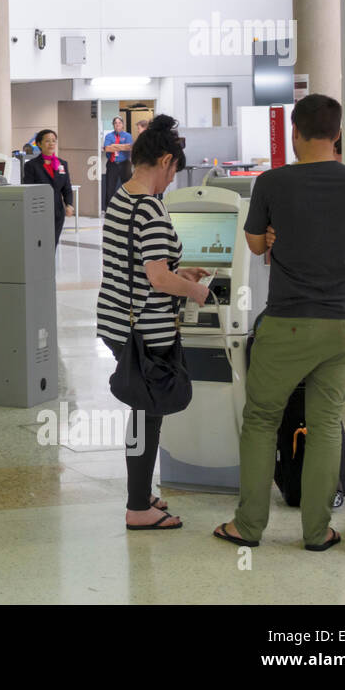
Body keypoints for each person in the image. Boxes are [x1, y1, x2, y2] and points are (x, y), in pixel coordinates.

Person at [215, 95, 345, 552]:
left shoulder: (272, 182)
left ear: (294, 133)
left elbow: (256, 246)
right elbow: (341, 234)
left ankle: (249, 526)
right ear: (338, 134)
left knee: (263, 419)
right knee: (325, 422)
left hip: (289, 323)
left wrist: (269, 237)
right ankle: (316, 531)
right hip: (344, 322)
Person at [96, 116, 211, 531]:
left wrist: (183, 272)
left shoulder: (121, 198)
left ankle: (141, 494)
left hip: (117, 319)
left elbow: (137, 264)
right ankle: (137, 508)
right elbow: (157, 278)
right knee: (148, 414)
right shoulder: (153, 210)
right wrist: (194, 290)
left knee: (142, 410)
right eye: (173, 171)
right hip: (147, 329)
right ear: (165, 160)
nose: (171, 181)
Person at [21, 129, 74, 245]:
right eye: (47, 141)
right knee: (40, 245)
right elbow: (29, 189)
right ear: (39, 144)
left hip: (57, 212)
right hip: (38, 211)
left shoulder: (62, 164)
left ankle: (50, 264)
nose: (51, 144)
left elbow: (67, 188)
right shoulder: (31, 165)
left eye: (54, 141)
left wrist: (69, 204)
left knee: (52, 244)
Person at [102, 117, 133, 208]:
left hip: (125, 164)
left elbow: (128, 147)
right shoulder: (109, 136)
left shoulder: (127, 135)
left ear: (122, 124)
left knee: (128, 187)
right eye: (115, 123)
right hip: (112, 164)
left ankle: (129, 208)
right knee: (110, 187)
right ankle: (109, 209)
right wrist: (121, 146)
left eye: (119, 123)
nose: (117, 124)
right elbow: (107, 148)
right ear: (113, 125)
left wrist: (114, 146)